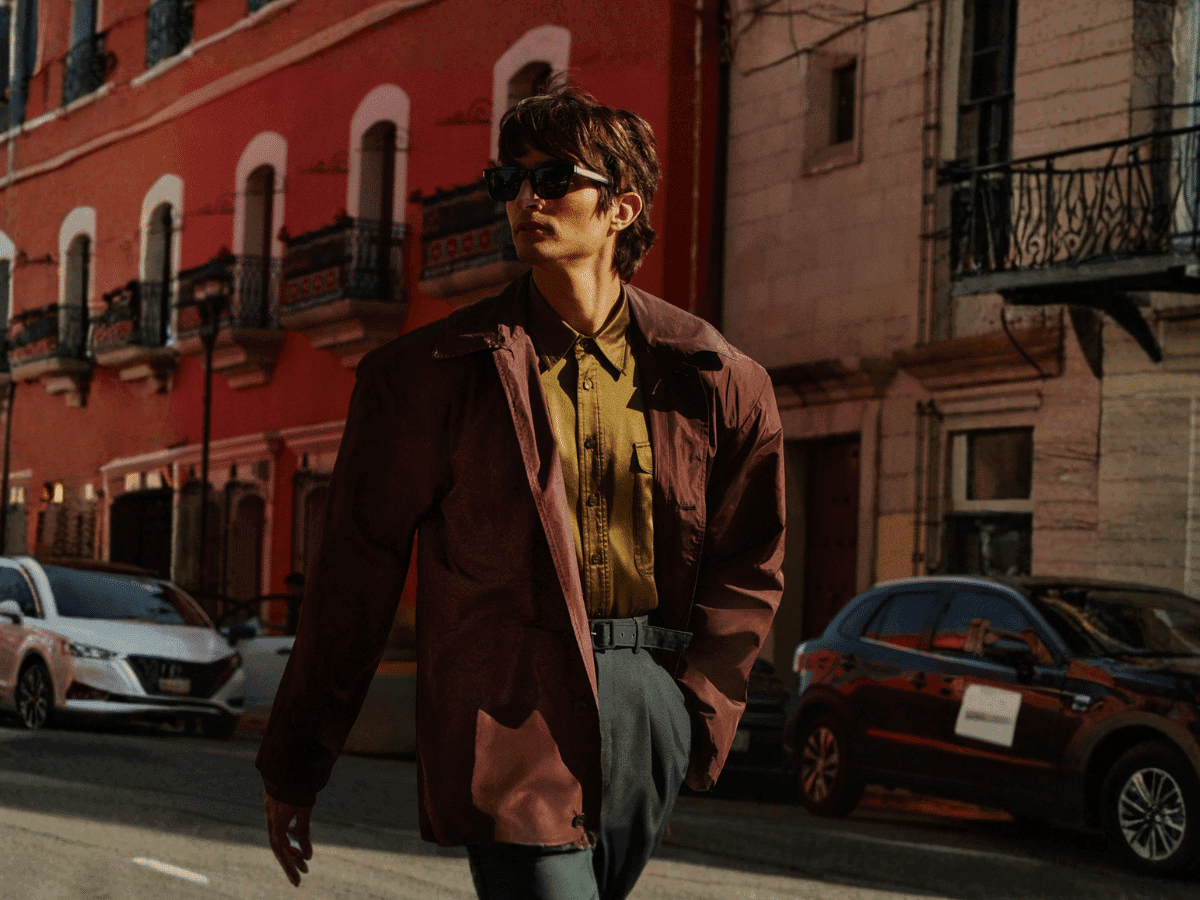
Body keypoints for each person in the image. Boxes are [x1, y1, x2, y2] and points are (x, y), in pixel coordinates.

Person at [256, 82, 785, 900]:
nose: (523, 200)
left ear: (622, 208)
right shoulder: (426, 380)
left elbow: (749, 562)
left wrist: (695, 710)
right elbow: (353, 577)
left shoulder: (717, 379)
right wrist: (298, 763)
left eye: (553, 179)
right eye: (510, 182)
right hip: (511, 710)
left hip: (647, 708)